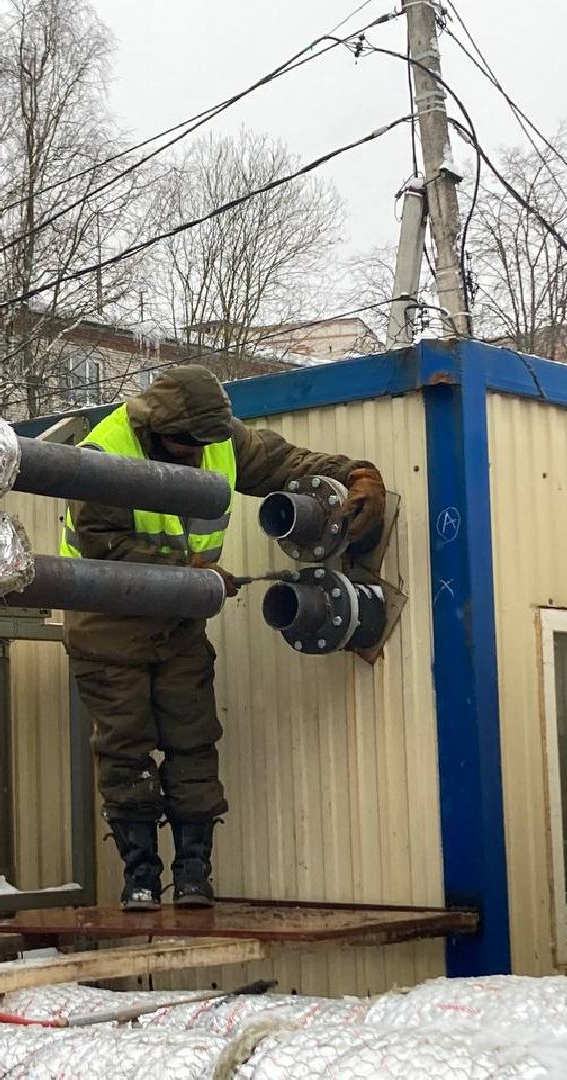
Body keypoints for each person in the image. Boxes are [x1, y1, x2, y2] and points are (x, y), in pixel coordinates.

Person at [60, 365, 386, 911]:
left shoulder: (216, 438)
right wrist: (189, 570)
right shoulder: (103, 454)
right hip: (108, 622)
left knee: (193, 738)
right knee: (125, 745)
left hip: (181, 619)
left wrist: (355, 473)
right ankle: (140, 876)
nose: (197, 452)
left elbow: (282, 463)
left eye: (206, 442)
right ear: (156, 426)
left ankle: (193, 875)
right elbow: (103, 548)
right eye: (186, 443)